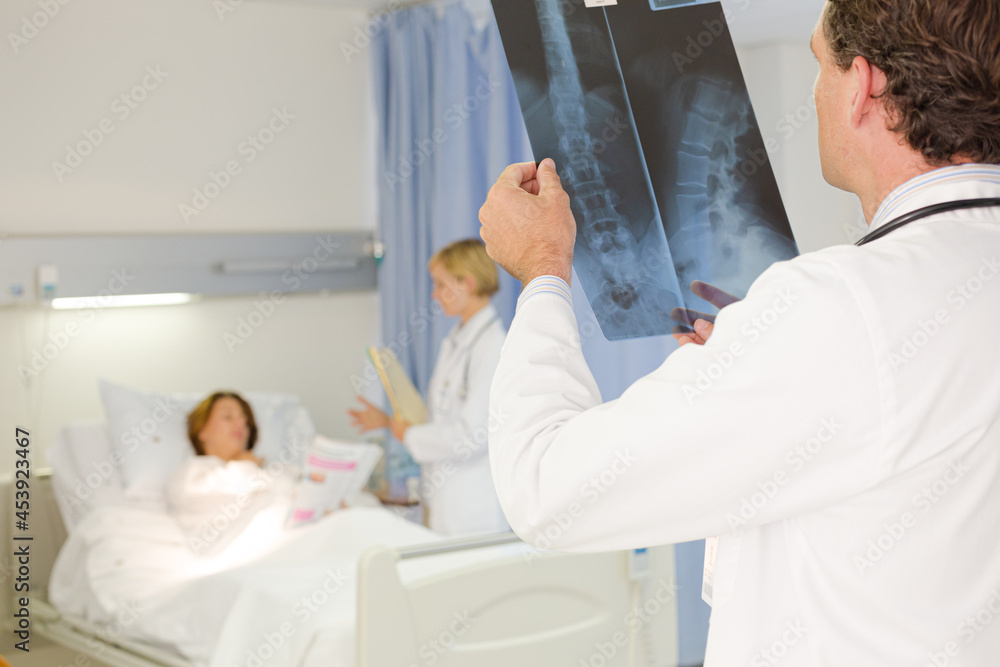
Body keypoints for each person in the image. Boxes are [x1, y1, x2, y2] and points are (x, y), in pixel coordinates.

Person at [478, 1, 1000, 665]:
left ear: (862, 87)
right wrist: (757, 355)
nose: (814, 92)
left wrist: (543, 270)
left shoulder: (837, 305)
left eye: (820, 65)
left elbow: (545, 489)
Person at [348, 239, 510, 536]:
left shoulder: (492, 347)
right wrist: (388, 422)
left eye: (440, 284)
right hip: (446, 500)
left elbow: (470, 437)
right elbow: (441, 419)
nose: (434, 294)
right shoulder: (456, 342)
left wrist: (407, 433)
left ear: (468, 283)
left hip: (474, 510)